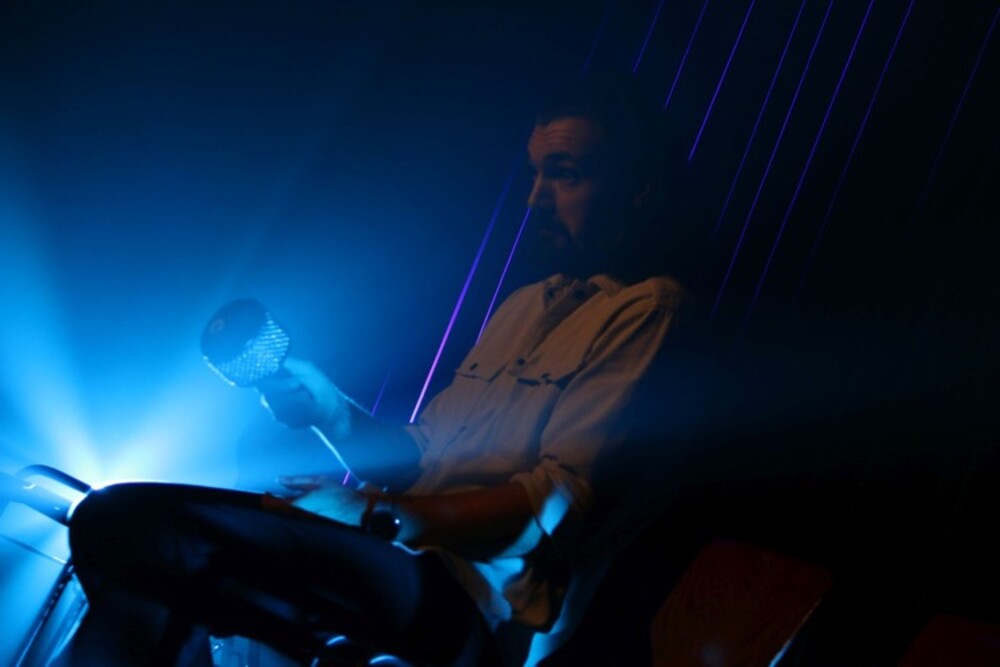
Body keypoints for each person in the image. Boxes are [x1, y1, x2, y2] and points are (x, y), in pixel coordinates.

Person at [61, 74, 699, 666]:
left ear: (638, 189)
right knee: (138, 558)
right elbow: (424, 456)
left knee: (122, 522)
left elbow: (556, 502)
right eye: (534, 174)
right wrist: (332, 414)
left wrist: (371, 512)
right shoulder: (524, 305)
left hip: (467, 603)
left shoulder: (651, 310)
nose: (535, 197)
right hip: (395, 557)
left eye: (563, 175)